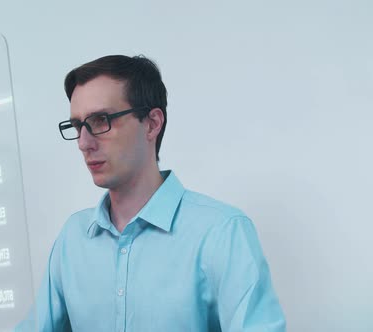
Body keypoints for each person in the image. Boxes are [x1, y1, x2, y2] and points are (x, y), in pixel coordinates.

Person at [18, 55, 286, 331]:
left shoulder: (222, 232)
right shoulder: (72, 239)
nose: (84, 143)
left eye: (100, 120)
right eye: (77, 126)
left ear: (152, 123)